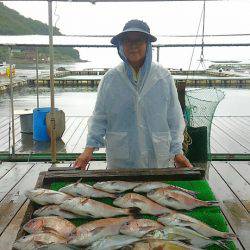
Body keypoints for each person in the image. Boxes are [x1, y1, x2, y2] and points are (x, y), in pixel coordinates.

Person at [74, 19, 192, 170]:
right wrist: (87, 151)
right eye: (128, 41)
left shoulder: (163, 77)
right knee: (121, 193)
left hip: (157, 159)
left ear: (148, 44)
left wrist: (177, 152)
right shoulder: (111, 78)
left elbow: (174, 118)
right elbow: (100, 117)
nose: (133, 45)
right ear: (121, 45)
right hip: (121, 161)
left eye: (139, 40)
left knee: (157, 192)